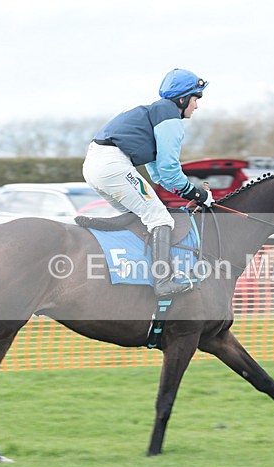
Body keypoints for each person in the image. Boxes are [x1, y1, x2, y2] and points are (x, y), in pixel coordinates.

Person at [82, 68, 213, 297]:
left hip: (96, 165)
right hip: (112, 164)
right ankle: (163, 282)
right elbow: (169, 169)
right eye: (195, 98)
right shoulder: (170, 117)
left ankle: (135, 277)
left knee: (140, 219)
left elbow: (158, 174)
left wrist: (184, 192)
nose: (197, 105)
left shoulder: (156, 113)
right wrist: (197, 195)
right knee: (159, 218)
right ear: (182, 99)